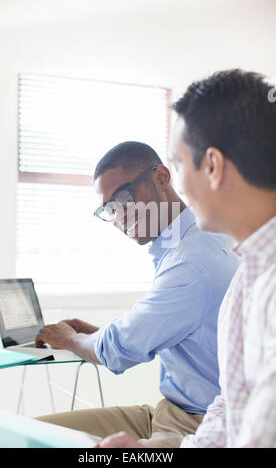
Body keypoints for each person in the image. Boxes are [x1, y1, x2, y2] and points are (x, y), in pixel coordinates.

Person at [98, 69, 276, 448]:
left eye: (178, 166)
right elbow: (230, 408)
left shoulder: (238, 275)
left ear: (211, 166)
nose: (177, 185)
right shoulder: (249, 273)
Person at [35, 141, 238, 448]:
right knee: (28, 434)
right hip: (167, 412)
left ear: (161, 178)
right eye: (109, 209)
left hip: (200, 423)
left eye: (124, 197)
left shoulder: (191, 260)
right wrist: (95, 333)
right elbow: (160, 329)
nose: (119, 215)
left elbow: (118, 350)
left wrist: (72, 340)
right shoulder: (183, 242)